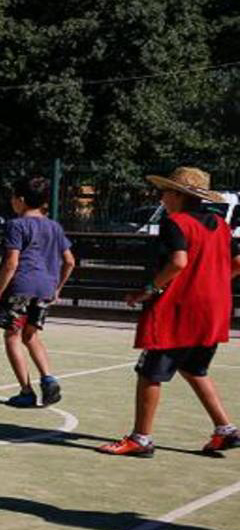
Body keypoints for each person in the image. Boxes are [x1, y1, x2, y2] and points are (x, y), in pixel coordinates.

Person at [98, 167, 240, 457]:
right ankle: (225, 429)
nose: (161, 197)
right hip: (214, 309)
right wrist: (213, 282)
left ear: (178, 195)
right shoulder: (219, 224)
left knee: (149, 372)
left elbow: (178, 262)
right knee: (194, 369)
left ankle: (141, 439)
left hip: (180, 309)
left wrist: (148, 289)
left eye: (164, 191)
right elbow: (238, 262)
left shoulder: (175, 223)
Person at [0, 176, 76, 407]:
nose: (12, 201)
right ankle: (48, 378)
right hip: (45, 289)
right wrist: (57, 288)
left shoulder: (16, 225)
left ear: (21, 200)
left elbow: (11, 263)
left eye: (13, 197)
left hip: (21, 287)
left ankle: (26, 392)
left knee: (12, 335)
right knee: (31, 335)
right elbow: (70, 261)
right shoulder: (54, 226)